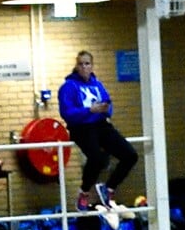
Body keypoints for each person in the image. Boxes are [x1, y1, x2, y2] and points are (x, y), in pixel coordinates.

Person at [57, 51, 138, 215]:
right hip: (81, 127)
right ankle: (84, 192)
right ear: (76, 66)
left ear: (92, 66)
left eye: (87, 63)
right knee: (97, 159)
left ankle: (109, 187)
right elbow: (67, 112)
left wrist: (106, 110)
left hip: (101, 124)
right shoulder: (68, 87)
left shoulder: (97, 84)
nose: (84, 67)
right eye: (81, 64)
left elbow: (108, 103)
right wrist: (89, 110)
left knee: (130, 155)